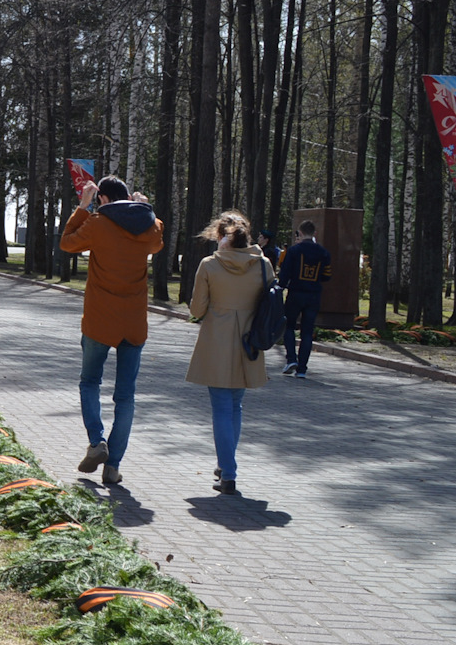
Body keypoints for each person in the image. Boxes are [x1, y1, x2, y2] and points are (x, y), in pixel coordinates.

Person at [60, 174, 166, 485]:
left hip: (99, 320)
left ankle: (97, 441)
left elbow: (67, 242)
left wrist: (82, 206)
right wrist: (144, 209)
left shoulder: (98, 222)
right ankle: (113, 466)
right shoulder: (149, 227)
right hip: (133, 323)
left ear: (103, 199)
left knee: (89, 382)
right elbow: (157, 239)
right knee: (126, 396)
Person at [186, 210, 270, 495]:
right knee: (235, 406)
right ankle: (226, 466)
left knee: (222, 407)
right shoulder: (263, 265)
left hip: (217, 342)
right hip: (250, 343)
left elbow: (197, 310)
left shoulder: (209, 265)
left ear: (220, 237)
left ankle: (228, 472)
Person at [277, 219, 333, 377]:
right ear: (314, 233)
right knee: (307, 332)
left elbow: (285, 273)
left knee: (289, 326)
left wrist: (281, 286)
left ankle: (291, 359)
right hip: (314, 295)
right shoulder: (323, 253)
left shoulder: (294, 251)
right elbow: (327, 276)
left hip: (295, 293)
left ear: (300, 233)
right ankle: (302, 369)